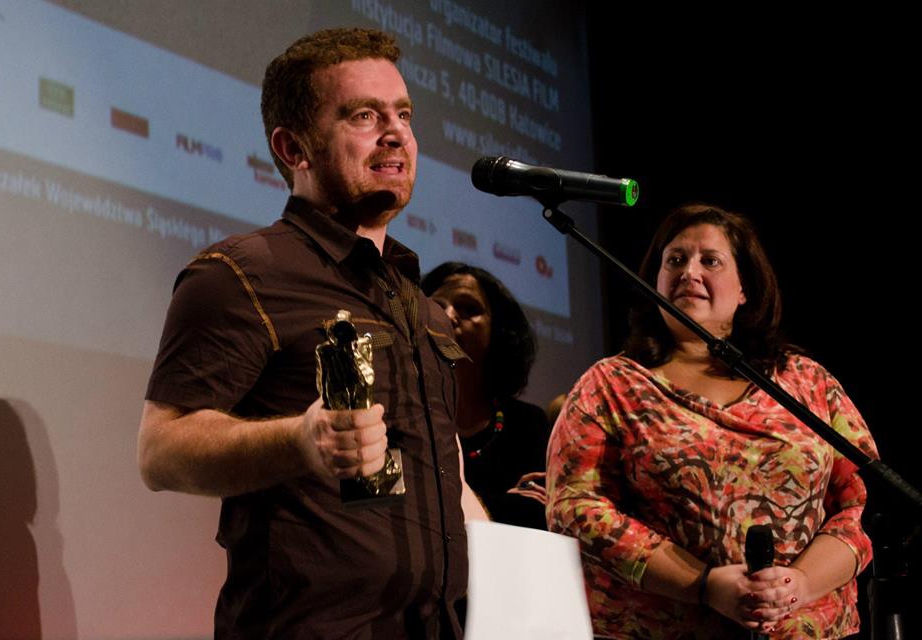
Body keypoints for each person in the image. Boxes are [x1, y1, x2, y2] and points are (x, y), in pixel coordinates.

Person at [138, 28, 484, 639]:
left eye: (403, 114)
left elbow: (441, 468)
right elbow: (161, 451)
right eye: (364, 115)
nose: (396, 133)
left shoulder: (422, 307)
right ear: (293, 147)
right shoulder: (240, 275)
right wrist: (300, 440)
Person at [546, 203, 878, 639]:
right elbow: (576, 507)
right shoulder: (610, 384)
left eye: (711, 261)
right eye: (675, 260)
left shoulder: (807, 382)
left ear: (744, 289)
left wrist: (799, 584)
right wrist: (703, 585)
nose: (689, 272)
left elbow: (864, 505)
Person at [422, 262, 550, 530]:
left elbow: (535, 512)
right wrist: (501, 504)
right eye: (436, 307)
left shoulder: (528, 424)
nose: (448, 317)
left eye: (469, 309)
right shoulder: (404, 418)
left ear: (499, 332)